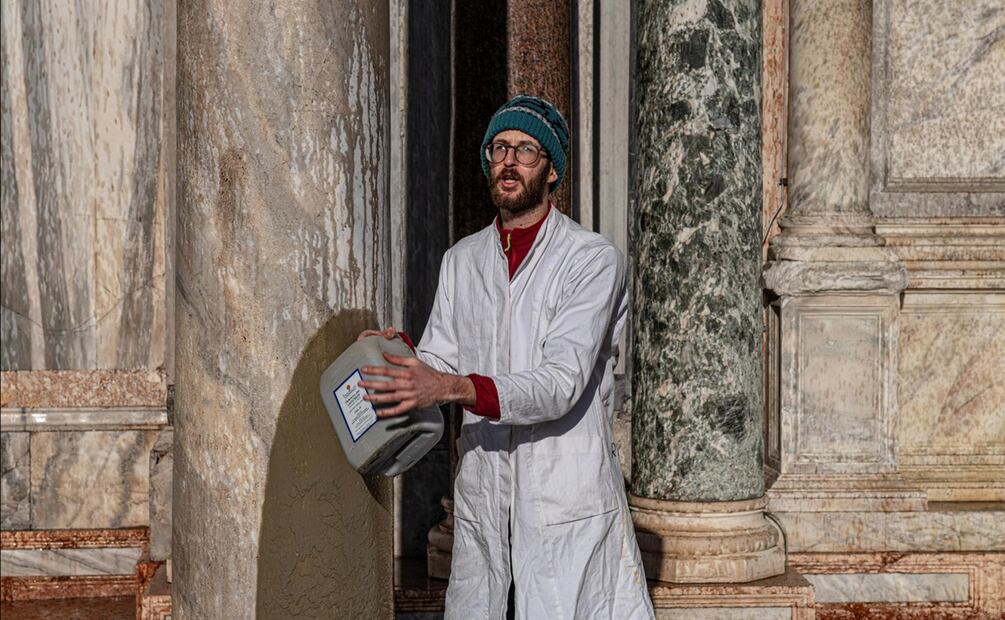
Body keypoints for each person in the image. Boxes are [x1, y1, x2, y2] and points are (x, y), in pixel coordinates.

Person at [358, 95, 654, 619]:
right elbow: (439, 359)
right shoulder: (462, 260)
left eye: (526, 150)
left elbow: (560, 383)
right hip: (486, 495)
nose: (509, 161)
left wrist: (450, 387)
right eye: (499, 148)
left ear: (553, 170)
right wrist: (399, 356)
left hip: (566, 499)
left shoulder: (591, 260)